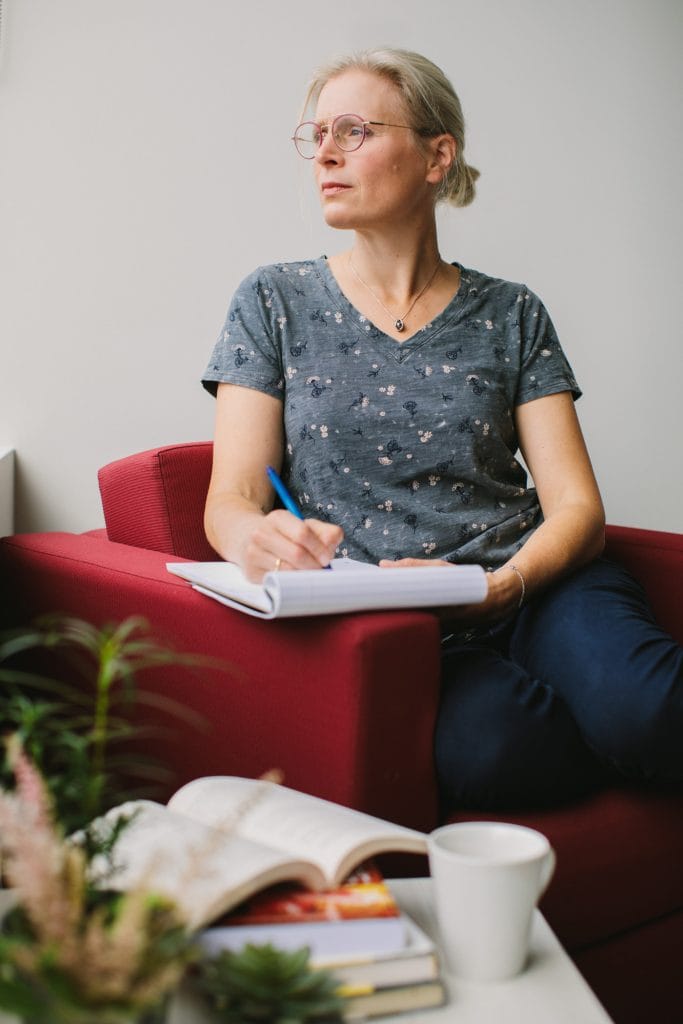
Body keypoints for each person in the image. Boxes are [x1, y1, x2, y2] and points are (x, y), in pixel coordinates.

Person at [202, 48, 683, 809]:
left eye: (354, 130)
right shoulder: (272, 300)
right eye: (317, 133)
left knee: (652, 707)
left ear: (437, 155)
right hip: (403, 625)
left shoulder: (512, 311)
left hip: (536, 584)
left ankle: (630, 728)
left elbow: (576, 510)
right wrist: (249, 538)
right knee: (494, 758)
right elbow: (229, 496)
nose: (324, 151)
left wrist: (502, 587)